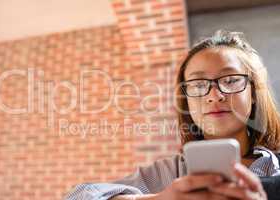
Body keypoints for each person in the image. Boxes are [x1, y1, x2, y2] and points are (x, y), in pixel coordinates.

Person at [64, 30, 280, 200]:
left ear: (254, 92)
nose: (214, 95)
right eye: (197, 84)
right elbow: (78, 196)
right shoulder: (167, 174)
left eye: (231, 80)